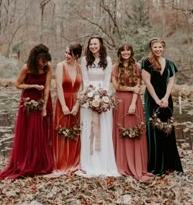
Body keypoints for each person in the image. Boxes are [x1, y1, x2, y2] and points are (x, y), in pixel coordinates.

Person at [0, 44, 54, 179]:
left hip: (42, 100)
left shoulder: (48, 67)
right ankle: (27, 162)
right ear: (36, 58)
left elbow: (47, 88)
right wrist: (33, 86)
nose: (44, 63)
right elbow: (18, 84)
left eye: (46, 61)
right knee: (29, 132)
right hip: (28, 101)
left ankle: (39, 163)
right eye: (42, 61)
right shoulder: (27, 67)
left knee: (41, 132)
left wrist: (45, 107)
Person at [112, 44, 154, 181]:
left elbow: (138, 86)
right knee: (120, 132)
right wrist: (131, 89)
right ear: (120, 52)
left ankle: (137, 164)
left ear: (131, 52)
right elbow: (116, 86)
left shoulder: (137, 66)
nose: (125, 53)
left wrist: (132, 104)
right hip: (119, 102)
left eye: (128, 50)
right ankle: (121, 163)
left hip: (133, 102)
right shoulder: (115, 67)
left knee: (134, 131)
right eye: (123, 50)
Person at [141, 38, 183, 175]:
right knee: (154, 130)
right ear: (151, 48)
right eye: (155, 47)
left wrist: (165, 98)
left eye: (160, 47)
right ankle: (156, 165)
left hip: (166, 99)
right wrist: (157, 100)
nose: (158, 49)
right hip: (152, 99)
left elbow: (171, 83)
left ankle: (170, 164)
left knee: (167, 130)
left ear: (163, 48)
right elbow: (147, 82)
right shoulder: (146, 62)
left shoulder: (170, 63)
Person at [80, 36, 118, 176]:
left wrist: (104, 98)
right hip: (89, 94)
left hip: (103, 95)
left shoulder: (107, 60)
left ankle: (104, 162)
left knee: (103, 127)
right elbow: (85, 79)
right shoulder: (84, 60)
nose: (93, 46)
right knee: (89, 127)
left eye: (95, 44)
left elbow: (107, 80)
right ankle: (89, 161)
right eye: (91, 44)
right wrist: (87, 96)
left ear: (100, 45)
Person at [53, 44, 83, 174]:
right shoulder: (61, 66)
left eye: (69, 53)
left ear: (76, 55)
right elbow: (58, 86)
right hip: (62, 101)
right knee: (62, 130)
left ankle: (73, 161)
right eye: (65, 52)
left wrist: (77, 105)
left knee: (74, 131)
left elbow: (82, 87)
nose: (66, 56)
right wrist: (64, 105)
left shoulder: (80, 68)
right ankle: (61, 162)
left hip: (75, 101)